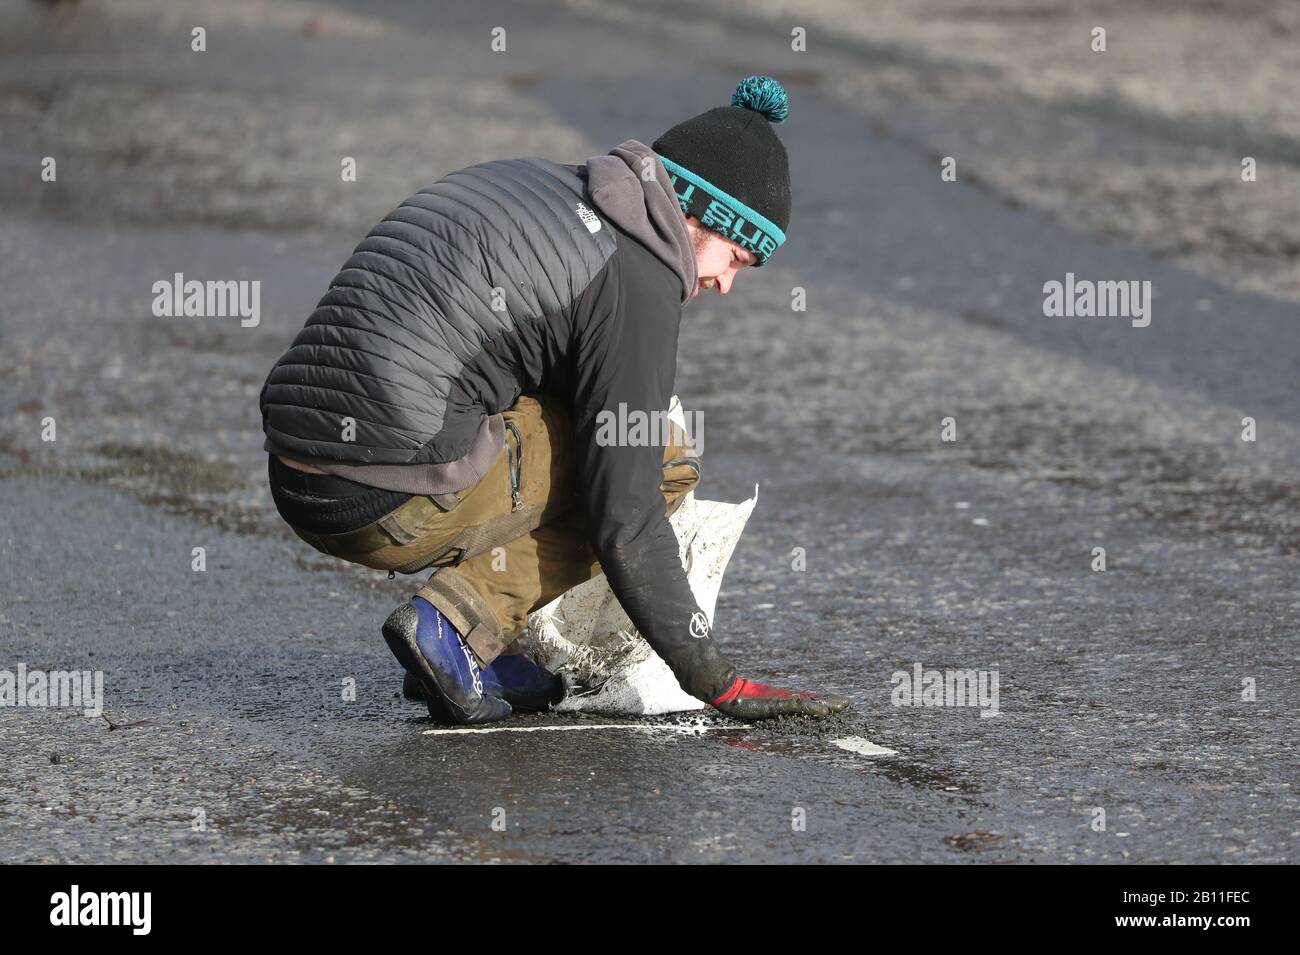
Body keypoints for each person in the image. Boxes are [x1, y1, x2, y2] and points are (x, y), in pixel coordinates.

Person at [259, 76, 850, 724]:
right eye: (735, 257)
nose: (725, 283)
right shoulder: (638, 276)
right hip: (376, 502)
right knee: (660, 461)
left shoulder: (545, 187)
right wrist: (716, 680)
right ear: (698, 215)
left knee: (562, 411)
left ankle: (475, 647)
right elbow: (626, 514)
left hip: (294, 472)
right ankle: (453, 624)